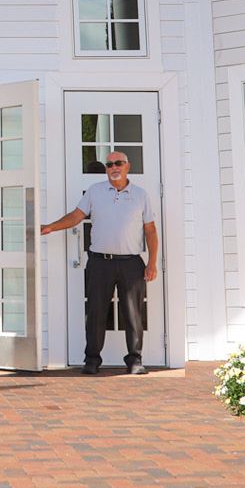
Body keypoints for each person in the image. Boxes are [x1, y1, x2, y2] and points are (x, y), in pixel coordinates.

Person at [40, 152, 158, 374]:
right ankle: (92, 360)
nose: (114, 168)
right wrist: (50, 227)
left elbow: (150, 230)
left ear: (127, 166)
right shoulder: (95, 191)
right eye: (110, 164)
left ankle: (135, 360)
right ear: (106, 169)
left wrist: (152, 263)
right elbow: (76, 215)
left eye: (119, 163)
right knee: (95, 312)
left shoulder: (141, 195)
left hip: (131, 263)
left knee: (133, 314)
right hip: (99, 262)